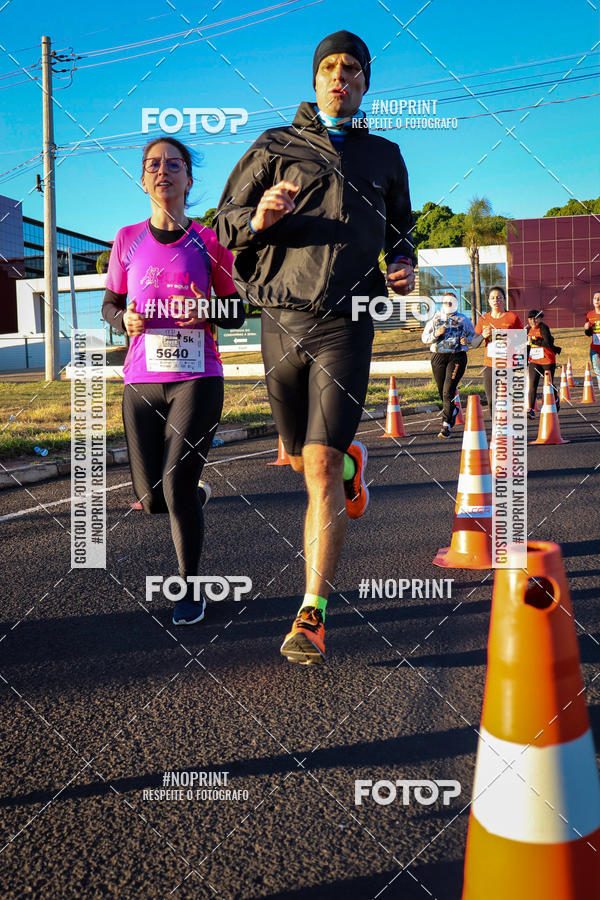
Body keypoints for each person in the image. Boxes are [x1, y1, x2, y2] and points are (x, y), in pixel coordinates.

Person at [215, 30, 415, 664]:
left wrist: (403, 263)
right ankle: (352, 465)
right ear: (314, 79)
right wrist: (259, 218)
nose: (339, 76)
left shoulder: (385, 155)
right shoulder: (274, 146)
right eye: (328, 66)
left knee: (319, 466)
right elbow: (223, 223)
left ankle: (311, 614)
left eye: (351, 68)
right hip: (281, 318)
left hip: (348, 322)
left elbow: (402, 230)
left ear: (365, 83)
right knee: (303, 460)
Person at [102, 137, 244, 626]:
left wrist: (205, 307)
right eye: (153, 165)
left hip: (197, 377)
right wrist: (122, 320)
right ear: (143, 179)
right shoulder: (126, 239)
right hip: (141, 380)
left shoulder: (210, 240)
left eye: (173, 164)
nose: (162, 171)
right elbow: (109, 304)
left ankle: (189, 587)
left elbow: (236, 310)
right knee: (151, 500)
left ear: (188, 178)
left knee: (177, 484)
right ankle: (189, 495)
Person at [421, 293, 483, 438]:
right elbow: (424, 338)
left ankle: (446, 425)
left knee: (448, 390)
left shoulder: (463, 319)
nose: (448, 304)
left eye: (451, 302)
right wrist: (436, 333)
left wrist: (466, 341)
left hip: (457, 357)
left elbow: (474, 338)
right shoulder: (435, 318)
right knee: (442, 390)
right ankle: (453, 410)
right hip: (438, 356)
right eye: (446, 302)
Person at [475, 285, 524, 414]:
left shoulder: (512, 317)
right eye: (492, 298)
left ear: (504, 299)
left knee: (506, 397)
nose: (496, 300)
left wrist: (509, 339)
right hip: (490, 364)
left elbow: (522, 340)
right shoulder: (483, 319)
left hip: (508, 364)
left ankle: (507, 422)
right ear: (488, 301)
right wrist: (483, 336)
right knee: (492, 399)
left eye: (499, 297)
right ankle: (495, 424)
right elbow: (474, 343)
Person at [526, 309, 561, 417]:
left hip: (547, 360)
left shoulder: (543, 328)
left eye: (535, 318)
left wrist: (534, 341)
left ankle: (555, 398)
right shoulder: (528, 330)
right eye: (530, 319)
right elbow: (527, 346)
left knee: (549, 384)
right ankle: (531, 409)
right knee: (532, 384)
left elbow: (548, 343)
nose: (533, 321)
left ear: (540, 319)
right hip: (534, 360)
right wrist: (525, 361)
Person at [583, 291, 600, 390]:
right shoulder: (590, 315)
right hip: (595, 349)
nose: (597, 300)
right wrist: (587, 328)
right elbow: (589, 334)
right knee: (598, 373)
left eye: (599, 298)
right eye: (595, 298)